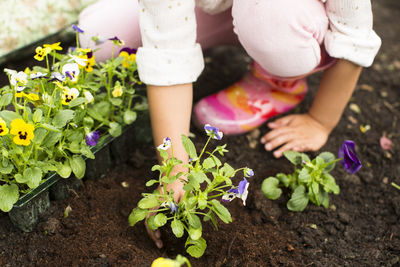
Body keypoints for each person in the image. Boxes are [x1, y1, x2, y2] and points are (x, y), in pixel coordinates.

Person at [78, 0, 381, 248]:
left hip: (290, 18)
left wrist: (320, 121)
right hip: (219, 10)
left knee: (266, 17)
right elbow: (166, 52)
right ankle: (253, 40)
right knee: (98, 38)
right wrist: (175, 170)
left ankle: (277, 79)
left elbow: (353, 32)